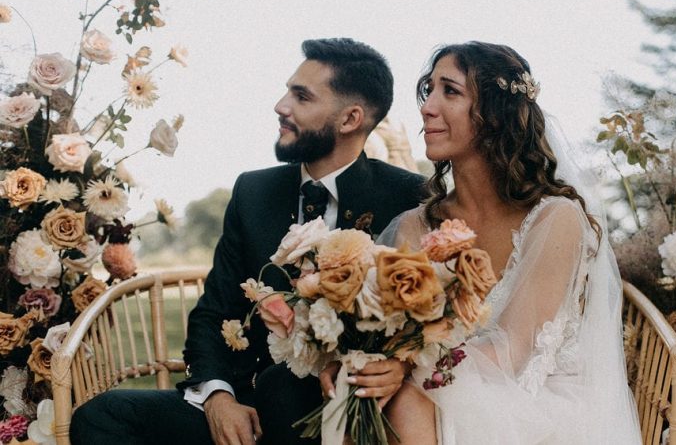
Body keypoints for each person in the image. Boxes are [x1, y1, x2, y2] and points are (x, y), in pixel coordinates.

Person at [70, 38, 426, 445]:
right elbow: (212, 313)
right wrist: (219, 398)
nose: (281, 106)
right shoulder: (253, 192)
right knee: (104, 417)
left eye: (301, 96)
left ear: (349, 119)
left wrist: (399, 364)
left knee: (285, 390)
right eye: (287, 90)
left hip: (333, 414)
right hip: (245, 410)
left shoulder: (408, 197)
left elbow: (433, 317)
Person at [370, 41, 641, 443]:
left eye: (451, 91)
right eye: (429, 90)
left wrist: (407, 368)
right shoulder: (417, 226)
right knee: (365, 395)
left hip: (532, 406)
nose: (428, 107)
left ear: (496, 114)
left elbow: (514, 350)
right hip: (438, 390)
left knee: (406, 401)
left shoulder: (553, 219)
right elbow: (387, 329)